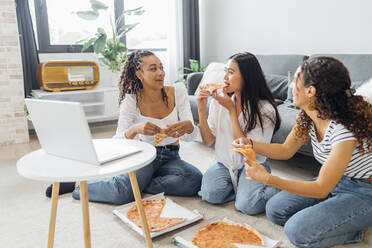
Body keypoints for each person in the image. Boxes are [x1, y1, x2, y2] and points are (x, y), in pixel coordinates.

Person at [233, 56, 372, 247]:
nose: (290, 86)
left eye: (294, 80)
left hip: (365, 191)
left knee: (297, 231)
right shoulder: (308, 116)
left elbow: (322, 187)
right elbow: (285, 150)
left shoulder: (343, 130)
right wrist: (249, 143)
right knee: (275, 209)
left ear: (310, 91)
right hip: (338, 180)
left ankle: (355, 229)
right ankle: (338, 212)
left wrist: (267, 179)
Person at [47, 50, 202, 205]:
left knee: (195, 180)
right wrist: (134, 129)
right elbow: (118, 140)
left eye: (161, 67)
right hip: (144, 155)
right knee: (122, 194)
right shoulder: (131, 98)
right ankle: (79, 184)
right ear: (139, 74)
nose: (161, 73)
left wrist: (189, 127)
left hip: (171, 157)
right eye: (153, 69)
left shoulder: (178, 91)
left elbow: (190, 137)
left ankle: (139, 184)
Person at [196, 52, 281, 215]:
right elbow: (207, 141)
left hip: (252, 163)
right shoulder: (218, 102)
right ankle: (241, 188)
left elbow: (246, 147)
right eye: (225, 71)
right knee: (209, 194)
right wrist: (201, 109)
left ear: (247, 77)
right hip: (224, 162)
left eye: (231, 72)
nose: (225, 77)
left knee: (247, 206)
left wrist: (231, 111)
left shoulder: (265, 109)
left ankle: (277, 187)